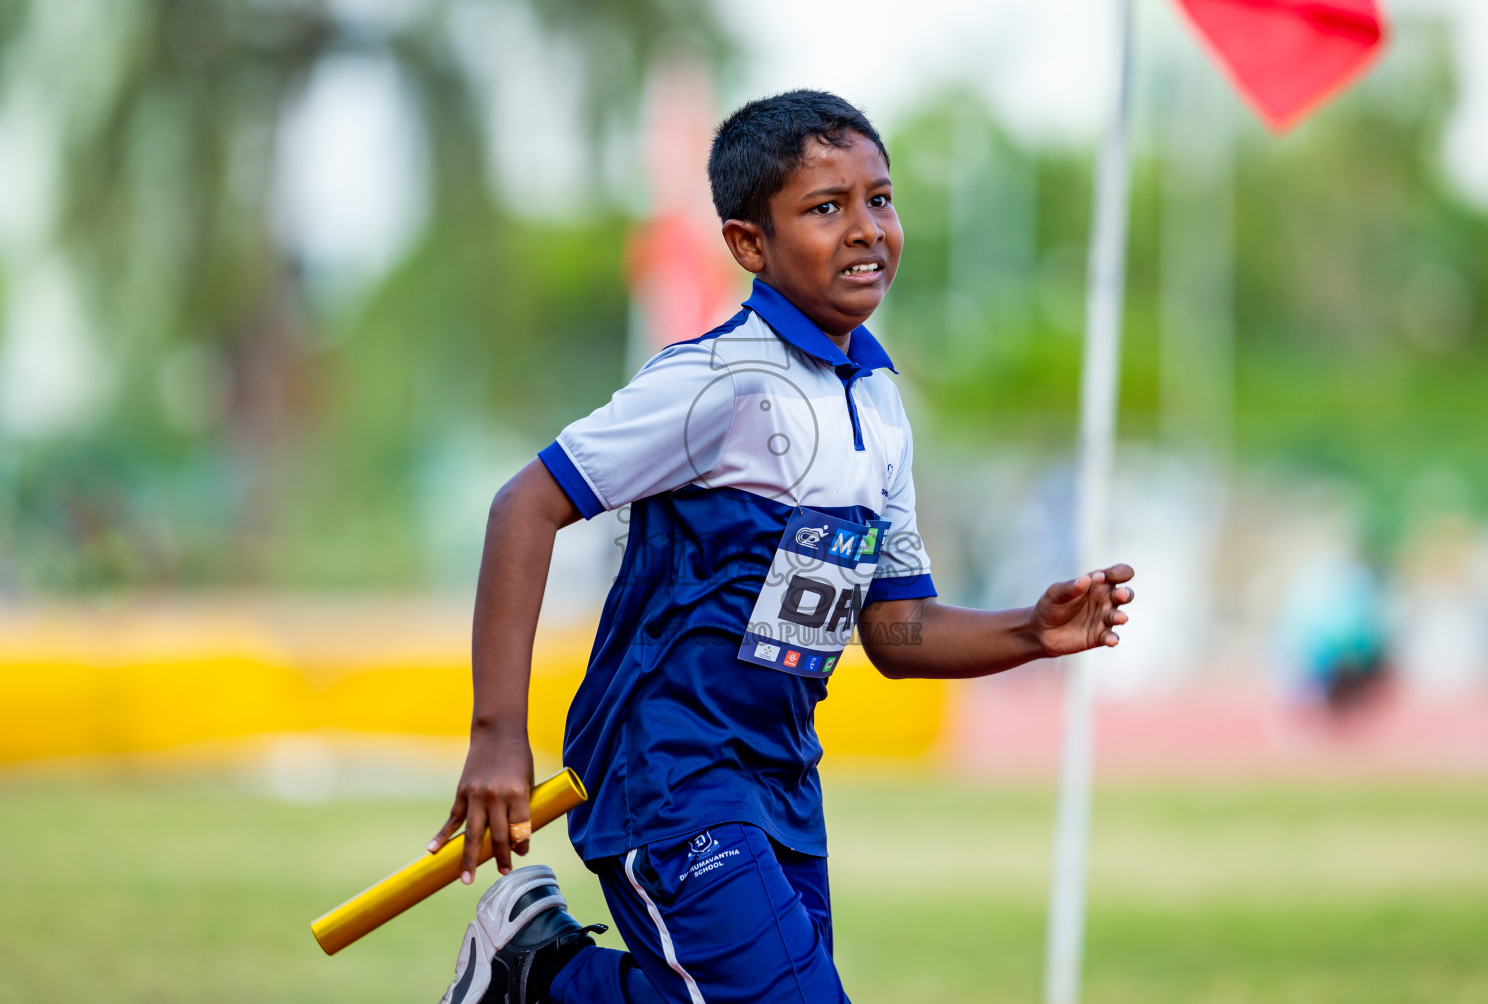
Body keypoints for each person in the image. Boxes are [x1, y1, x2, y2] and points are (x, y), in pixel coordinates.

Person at [427, 90, 1136, 1004]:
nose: (865, 230)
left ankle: (532, 981)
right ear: (749, 245)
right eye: (825, 208)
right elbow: (522, 506)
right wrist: (496, 742)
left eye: (880, 200)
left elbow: (895, 628)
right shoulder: (715, 381)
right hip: (670, 769)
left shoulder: (878, 403)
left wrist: (1031, 632)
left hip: (781, 778)